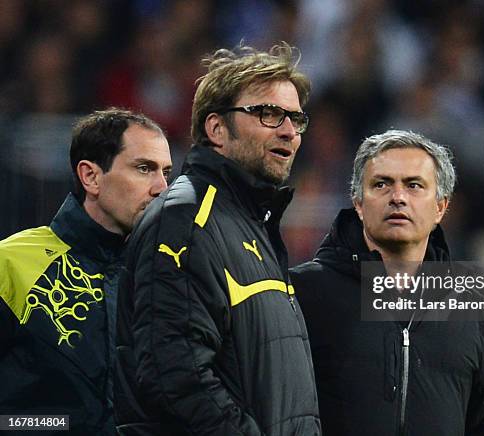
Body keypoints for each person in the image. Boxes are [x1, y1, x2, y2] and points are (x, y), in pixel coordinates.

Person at [114, 43, 320, 435]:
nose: (289, 132)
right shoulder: (189, 218)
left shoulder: (251, 222)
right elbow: (173, 375)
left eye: (295, 118)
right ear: (217, 129)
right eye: (269, 114)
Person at [291, 130, 484, 435]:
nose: (398, 197)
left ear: (441, 207)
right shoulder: (304, 292)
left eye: (414, 185)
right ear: (358, 203)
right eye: (381, 184)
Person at [0, 108, 172, 435]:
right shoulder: (11, 263)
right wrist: (51, 426)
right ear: (91, 176)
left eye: (166, 172)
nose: (162, 187)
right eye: (144, 169)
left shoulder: (166, 277)